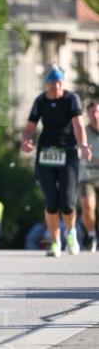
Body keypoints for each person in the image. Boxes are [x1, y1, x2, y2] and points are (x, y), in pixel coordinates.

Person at [20, 63, 92, 257]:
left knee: (67, 203)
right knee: (51, 201)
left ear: (63, 82)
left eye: (59, 82)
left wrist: (83, 144)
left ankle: (71, 233)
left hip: (68, 154)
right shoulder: (40, 101)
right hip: (46, 155)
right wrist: (26, 141)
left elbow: (78, 125)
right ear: (47, 84)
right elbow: (29, 127)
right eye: (53, 84)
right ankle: (55, 242)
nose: (56, 87)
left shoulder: (71, 99)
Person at [79, 99, 99, 252]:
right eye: (92, 112)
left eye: (97, 112)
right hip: (87, 176)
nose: (95, 115)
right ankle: (92, 236)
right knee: (88, 207)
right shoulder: (83, 132)